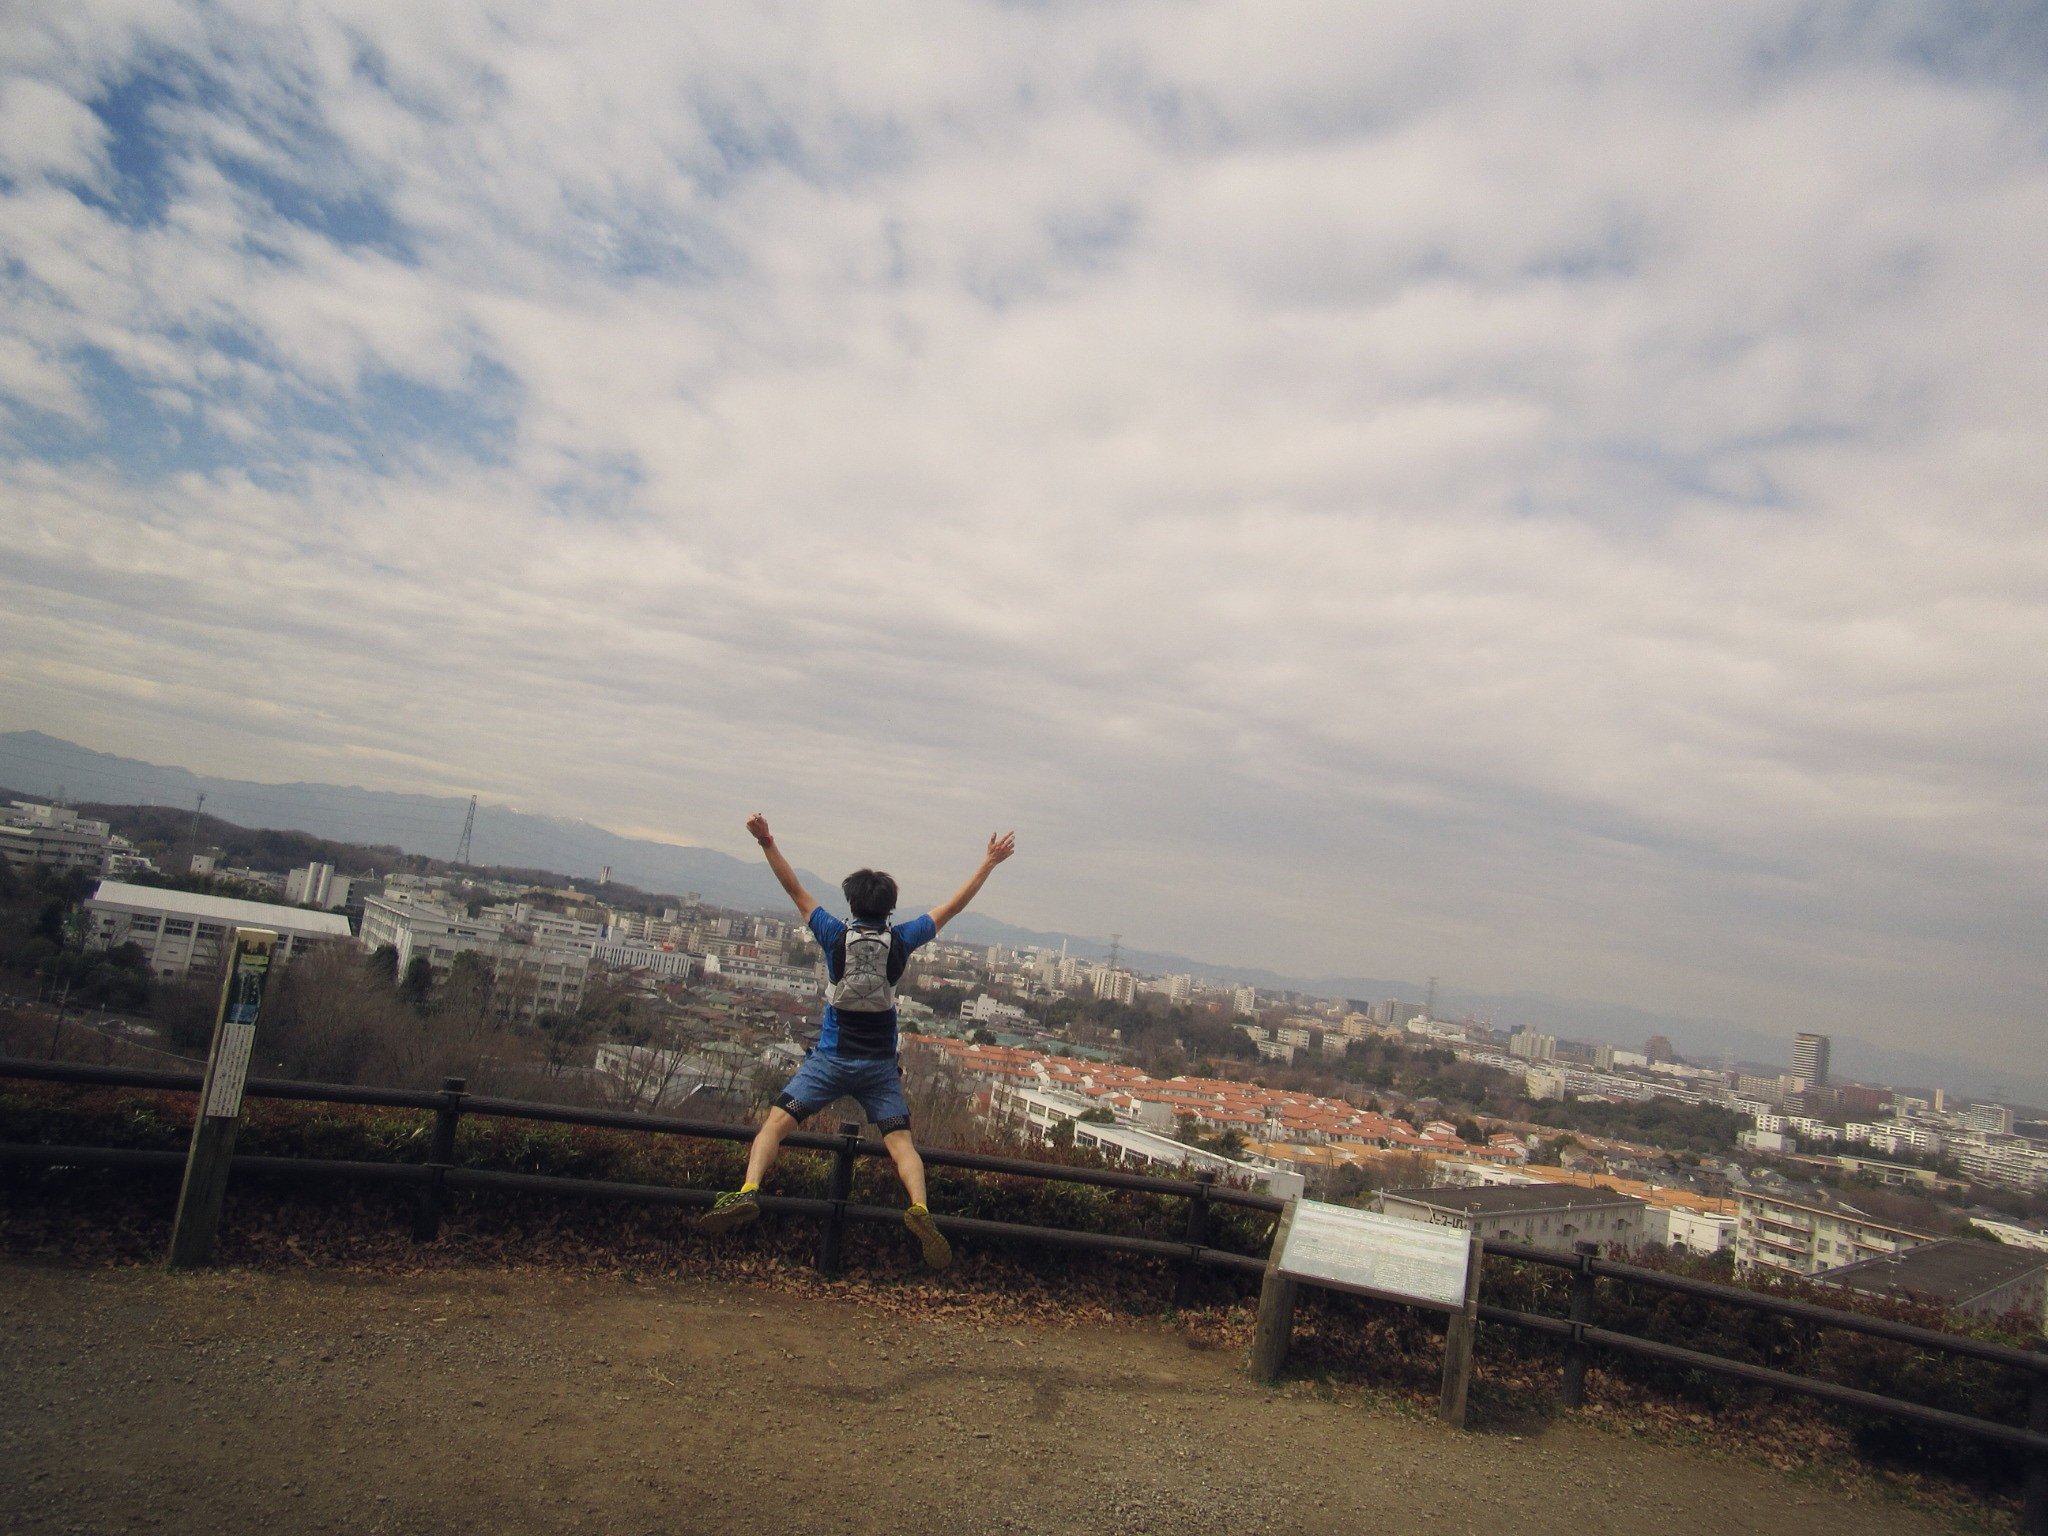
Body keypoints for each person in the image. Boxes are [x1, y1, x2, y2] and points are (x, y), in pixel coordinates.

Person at [697, 814, 1017, 1270]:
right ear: (890, 907)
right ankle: (919, 1208)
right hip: (879, 1069)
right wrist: (988, 863)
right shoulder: (902, 939)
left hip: (830, 1061)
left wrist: (766, 840)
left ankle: (749, 1190)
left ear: (851, 902)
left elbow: (794, 888)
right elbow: (952, 907)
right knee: (901, 1144)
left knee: (774, 1125)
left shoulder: (834, 934)